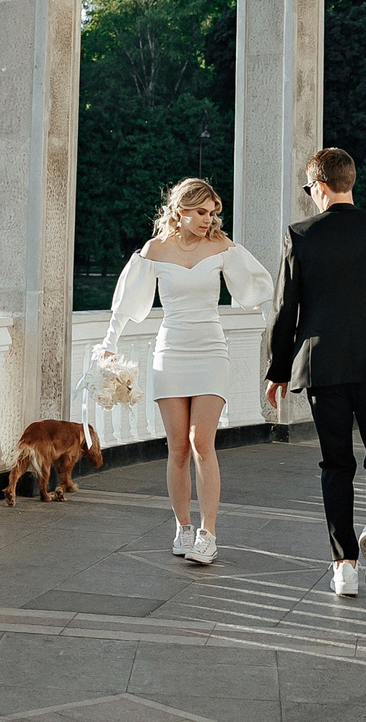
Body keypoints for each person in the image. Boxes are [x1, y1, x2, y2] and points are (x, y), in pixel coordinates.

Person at [264, 147, 366, 600]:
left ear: (318, 186)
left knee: (336, 464)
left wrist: (278, 369)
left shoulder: (299, 235)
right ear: (349, 181)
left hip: (323, 367)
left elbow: (285, 310)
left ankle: (344, 567)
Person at [99, 177, 274, 566]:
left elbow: (259, 289)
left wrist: (275, 330)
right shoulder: (154, 250)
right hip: (170, 352)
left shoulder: (222, 248)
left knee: (201, 442)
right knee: (177, 447)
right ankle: (182, 527)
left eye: (212, 214)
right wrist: (109, 345)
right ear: (180, 210)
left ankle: (208, 533)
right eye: (200, 213)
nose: (207, 221)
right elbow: (125, 304)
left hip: (211, 350)